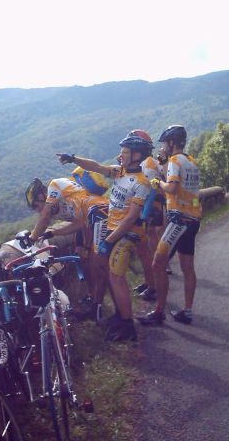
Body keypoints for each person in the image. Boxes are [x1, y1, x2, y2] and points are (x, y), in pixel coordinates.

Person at [56, 134, 152, 341]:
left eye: (125, 152)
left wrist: (108, 241)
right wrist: (73, 158)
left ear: (137, 155)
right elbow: (95, 166)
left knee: (116, 277)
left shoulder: (142, 183)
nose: (120, 155)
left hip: (126, 235)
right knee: (111, 275)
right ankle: (121, 316)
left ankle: (128, 327)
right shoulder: (120, 172)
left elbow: (131, 218)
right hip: (113, 230)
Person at [138, 125, 202, 326]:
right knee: (187, 267)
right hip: (193, 219)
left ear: (172, 142)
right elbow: (190, 191)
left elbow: (172, 188)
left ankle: (158, 312)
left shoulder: (175, 160)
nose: (164, 146)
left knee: (158, 263)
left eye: (166, 143)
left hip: (178, 219)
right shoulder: (191, 161)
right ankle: (187, 310)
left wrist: (158, 183)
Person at [25, 176, 109, 321]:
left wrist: (31, 239)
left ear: (42, 196)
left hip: (100, 214)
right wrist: (53, 233)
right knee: (84, 261)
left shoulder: (54, 186)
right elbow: (79, 223)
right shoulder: (59, 210)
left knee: (98, 265)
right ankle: (93, 298)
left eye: (36, 206)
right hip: (88, 222)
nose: (38, 211)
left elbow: (44, 218)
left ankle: (100, 310)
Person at [124, 129, 165, 303]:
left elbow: (149, 191)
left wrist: (142, 217)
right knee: (143, 250)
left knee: (144, 251)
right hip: (149, 209)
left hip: (147, 210)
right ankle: (149, 283)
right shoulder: (149, 161)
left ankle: (153, 286)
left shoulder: (147, 164)